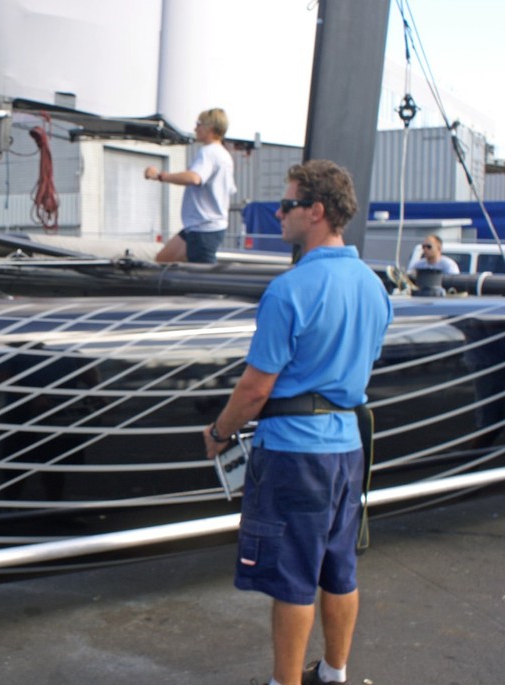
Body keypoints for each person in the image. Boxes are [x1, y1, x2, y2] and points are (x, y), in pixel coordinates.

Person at [203, 160, 393, 685]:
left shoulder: (289, 290)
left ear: (316, 212)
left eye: (287, 204)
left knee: (291, 579)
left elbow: (255, 388)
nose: (280, 213)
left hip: (294, 454)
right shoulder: (374, 287)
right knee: (339, 569)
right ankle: (333, 675)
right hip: (348, 451)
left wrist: (219, 434)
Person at [143, 108, 236, 264]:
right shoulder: (224, 155)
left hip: (203, 228)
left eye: (198, 124)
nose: (195, 129)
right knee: (163, 260)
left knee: (202, 279)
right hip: (199, 227)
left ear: (210, 128)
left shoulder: (209, 153)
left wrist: (161, 176)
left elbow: (194, 178)